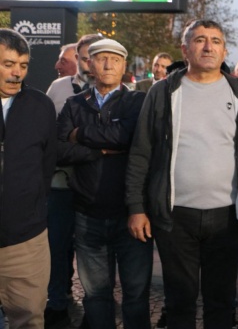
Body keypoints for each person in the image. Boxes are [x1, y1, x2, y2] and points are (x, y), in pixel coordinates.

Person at [126, 19, 238, 328]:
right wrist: (137, 208)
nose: (208, 46)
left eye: (215, 41)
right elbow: (141, 152)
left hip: (227, 215)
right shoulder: (163, 92)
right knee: (179, 301)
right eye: (200, 39)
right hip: (174, 217)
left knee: (221, 301)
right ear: (185, 48)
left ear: (224, 49)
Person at [57, 38, 151, 329]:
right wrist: (99, 149)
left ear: (124, 65)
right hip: (88, 214)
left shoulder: (138, 101)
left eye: (115, 59)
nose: (108, 64)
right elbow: (59, 150)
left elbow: (127, 137)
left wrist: (79, 134)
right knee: (96, 295)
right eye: (101, 58)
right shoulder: (74, 103)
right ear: (90, 65)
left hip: (131, 213)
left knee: (136, 294)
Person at [44, 34, 102, 329]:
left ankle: (95, 307)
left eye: (95, 55)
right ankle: (57, 301)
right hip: (61, 183)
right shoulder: (57, 89)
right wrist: (95, 148)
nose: (89, 62)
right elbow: (53, 140)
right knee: (57, 244)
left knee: (93, 250)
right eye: (84, 56)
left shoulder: (119, 92)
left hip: (98, 186)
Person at [0, 28, 57, 328]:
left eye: (22, 66)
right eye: (8, 64)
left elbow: (46, 166)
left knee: (29, 320)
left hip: (26, 241)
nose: (16, 73)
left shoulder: (40, 106)